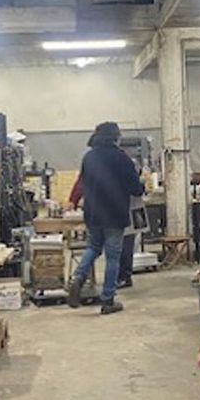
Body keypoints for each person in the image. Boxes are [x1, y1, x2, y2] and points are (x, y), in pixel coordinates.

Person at [67, 122, 143, 314]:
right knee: (113, 257)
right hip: (114, 214)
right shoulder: (121, 158)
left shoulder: (89, 158)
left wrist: (73, 200)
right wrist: (140, 184)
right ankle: (108, 299)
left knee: (93, 247)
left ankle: (77, 278)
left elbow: (81, 183)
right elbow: (136, 188)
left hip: (93, 213)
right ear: (115, 137)